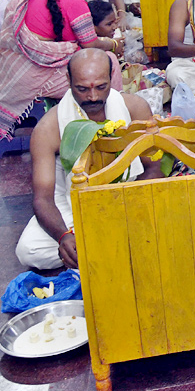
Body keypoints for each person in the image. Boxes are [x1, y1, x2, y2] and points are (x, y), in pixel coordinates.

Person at [15, 49, 161, 269]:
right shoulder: (48, 128)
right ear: (68, 81)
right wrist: (63, 235)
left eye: (101, 87)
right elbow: (43, 198)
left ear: (112, 77)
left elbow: (153, 168)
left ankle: (98, 244)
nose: (93, 97)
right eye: (82, 89)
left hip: (128, 196)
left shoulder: (135, 108)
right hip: (74, 195)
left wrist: (129, 208)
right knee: (29, 250)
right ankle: (101, 243)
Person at [0, 0, 125, 140]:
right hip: (38, 74)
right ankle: (110, 122)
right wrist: (114, 44)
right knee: (108, 61)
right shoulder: (74, 1)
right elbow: (90, 44)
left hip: (19, 65)